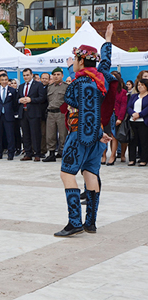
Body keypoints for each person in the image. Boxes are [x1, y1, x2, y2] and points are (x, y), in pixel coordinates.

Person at [54, 25, 116, 237]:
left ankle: (74, 222)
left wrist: (73, 73)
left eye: (76, 61)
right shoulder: (101, 80)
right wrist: (107, 41)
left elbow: (81, 108)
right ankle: (90, 222)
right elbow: (106, 64)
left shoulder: (80, 83)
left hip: (80, 134)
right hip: (96, 135)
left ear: (80, 61)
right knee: (91, 173)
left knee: (67, 173)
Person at [17, 68, 47, 161]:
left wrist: (31, 100)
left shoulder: (38, 85)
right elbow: (17, 98)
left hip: (34, 113)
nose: (26, 77)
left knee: (35, 134)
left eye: (27, 75)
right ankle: (28, 153)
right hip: (23, 112)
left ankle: (37, 153)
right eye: (24, 75)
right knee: (25, 134)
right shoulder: (21, 86)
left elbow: (42, 98)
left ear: (31, 75)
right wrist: (19, 100)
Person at [43, 67, 69, 162]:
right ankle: (51, 154)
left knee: (63, 134)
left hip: (61, 113)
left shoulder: (66, 86)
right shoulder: (50, 87)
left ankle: (64, 153)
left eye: (58, 75)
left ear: (62, 75)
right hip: (51, 113)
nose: (56, 76)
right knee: (50, 134)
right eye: (54, 75)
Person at [0, 73, 19, 160]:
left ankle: (11, 153)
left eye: (6, 80)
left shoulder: (12, 91)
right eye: (2, 80)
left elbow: (15, 103)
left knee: (10, 135)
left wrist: (11, 111)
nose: (4, 82)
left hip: (9, 115)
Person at [127, 79, 148, 166]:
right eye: (139, 85)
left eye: (142, 85)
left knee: (144, 141)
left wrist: (139, 115)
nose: (140, 87)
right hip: (133, 121)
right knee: (132, 141)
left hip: (143, 122)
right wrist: (133, 114)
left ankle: (143, 159)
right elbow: (128, 107)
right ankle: (132, 159)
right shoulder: (134, 96)